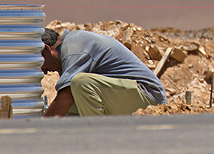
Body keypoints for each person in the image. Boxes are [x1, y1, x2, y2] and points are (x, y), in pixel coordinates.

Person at [40, 28, 168, 116]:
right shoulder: (69, 48)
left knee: (80, 83)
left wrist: (39, 130)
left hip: (148, 95)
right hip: (124, 95)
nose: (43, 71)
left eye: (39, 62)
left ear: (45, 49)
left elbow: (65, 97)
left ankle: (99, 136)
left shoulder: (73, 49)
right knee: (68, 112)